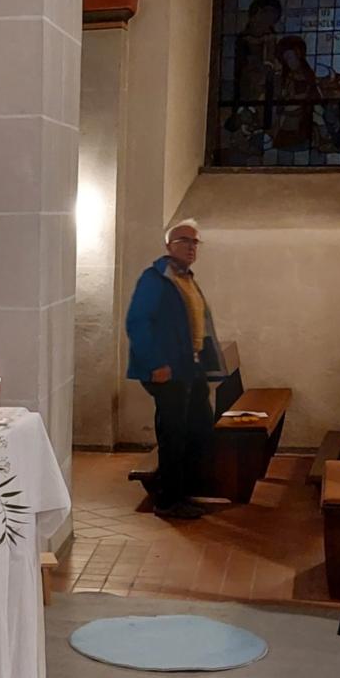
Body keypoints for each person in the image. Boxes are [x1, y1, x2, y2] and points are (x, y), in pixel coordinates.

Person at [124, 219, 227, 520]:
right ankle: (168, 501)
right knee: (174, 434)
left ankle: (174, 487)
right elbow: (137, 322)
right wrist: (156, 364)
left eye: (196, 242)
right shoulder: (154, 279)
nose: (192, 247)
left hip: (189, 368)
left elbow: (197, 323)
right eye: (185, 241)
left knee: (199, 428)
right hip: (167, 371)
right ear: (169, 245)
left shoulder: (186, 279)